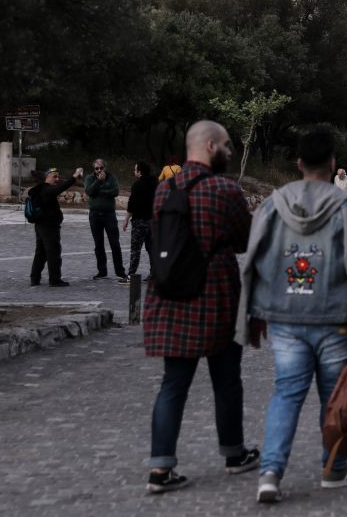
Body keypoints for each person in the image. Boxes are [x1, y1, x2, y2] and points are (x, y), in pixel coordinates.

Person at [235, 129, 347, 503]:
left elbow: (255, 263)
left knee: (285, 394)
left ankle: (270, 473)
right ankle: (333, 467)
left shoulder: (271, 205)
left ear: (298, 164)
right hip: (337, 320)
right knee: (334, 397)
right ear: (333, 165)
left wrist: (253, 315)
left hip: (285, 319)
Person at [143, 120, 258, 494]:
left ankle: (160, 468)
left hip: (169, 295)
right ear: (210, 146)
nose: (229, 151)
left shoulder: (165, 189)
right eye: (226, 145)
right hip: (215, 299)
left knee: (172, 384)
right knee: (226, 381)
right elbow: (244, 241)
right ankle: (234, 453)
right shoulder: (225, 189)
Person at [28, 166, 84, 287]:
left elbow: (58, 187)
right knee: (53, 252)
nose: (57, 179)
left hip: (41, 225)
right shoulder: (47, 190)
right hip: (48, 226)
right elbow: (61, 188)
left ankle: (34, 278)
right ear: (47, 177)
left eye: (58, 176)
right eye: (55, 176)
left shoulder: (41, 189)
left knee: (41, 252)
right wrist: (74, 177)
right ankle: (54, 280)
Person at [84, 158, 127, 280]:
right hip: (95, 215)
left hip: (109, 214)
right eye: (96, 168)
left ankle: (120, 271)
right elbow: (89, 191)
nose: (98, 170)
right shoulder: (90, 178)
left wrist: (99, 191)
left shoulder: (112, 177)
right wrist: (98, 181)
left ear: (105, 168)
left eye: (101, 168)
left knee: (115, 243)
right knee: (98, 244)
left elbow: (115, 191)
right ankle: (102, 271)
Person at [119, 161, 158, 284]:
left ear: (139, 171)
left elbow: (132, 204)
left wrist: (126, 219)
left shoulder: (137, 185)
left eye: (135, 169)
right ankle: (154, 273)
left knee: (136, 249)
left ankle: (131, 274)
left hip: (140, 221)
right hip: (153, 220)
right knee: (152, 248)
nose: (134, 171)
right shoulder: (155, 183)